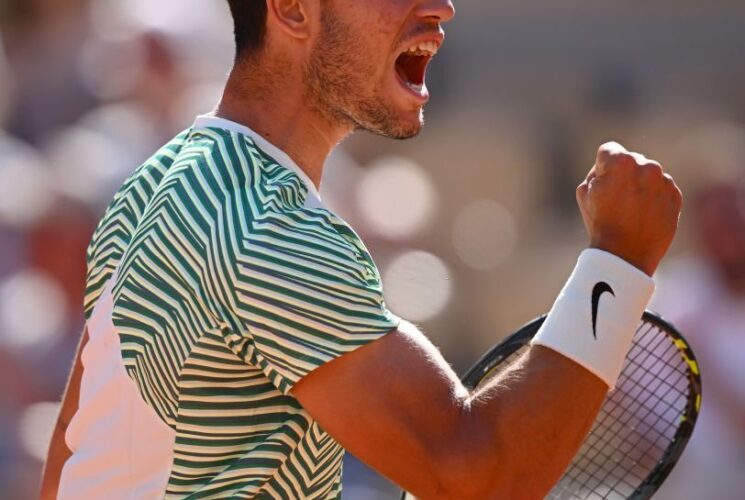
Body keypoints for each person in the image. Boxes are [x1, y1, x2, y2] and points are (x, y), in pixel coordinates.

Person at [40, 0, 682, 498]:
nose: (441, 7)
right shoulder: (268, 228)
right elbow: (481, 475)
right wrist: (619, 259)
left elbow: (72, 460)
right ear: (291, 7)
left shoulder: (164, 177)